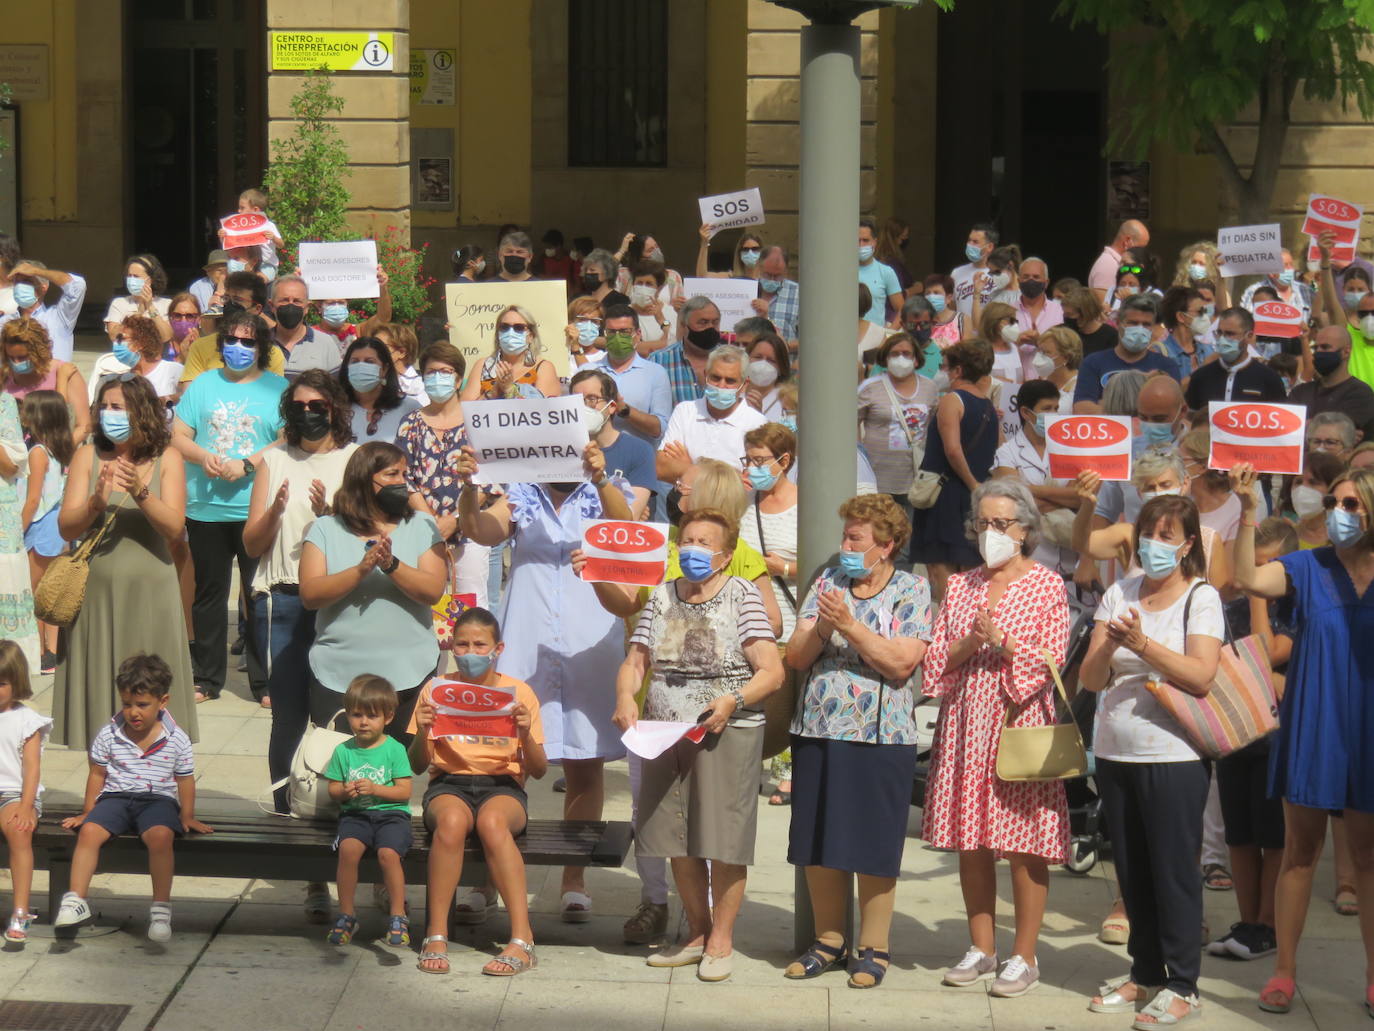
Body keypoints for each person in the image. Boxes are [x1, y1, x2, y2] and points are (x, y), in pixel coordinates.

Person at [457, 437, 633, 923]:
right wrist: (471, 486)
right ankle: (487, 876)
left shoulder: (606, 491)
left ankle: (573, 878)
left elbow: (630, 528)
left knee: (585, 759)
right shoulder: (521, 492)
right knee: (501, 759)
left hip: (589, 640)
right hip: (529, 637)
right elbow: (481, 529)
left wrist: (598, 477)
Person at [613, 507, 782, 982]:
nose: (693, 550)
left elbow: (771, 670)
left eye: (705, 543)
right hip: (664, 733)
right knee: (676, 837)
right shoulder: (663, 596)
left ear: (726, 556)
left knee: (722, 840)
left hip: (724, 732)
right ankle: (696, 933)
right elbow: (636, 659)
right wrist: (625, 695)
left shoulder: (742, 595)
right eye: (687, 540)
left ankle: (722, 940)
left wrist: (733, 699)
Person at [1230, 463, 1374, 1017]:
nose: (1340, 514)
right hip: (1315, 721)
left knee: (1365, 856)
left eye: (1352, 505)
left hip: (1367, 729)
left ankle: (1373, 976)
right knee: (1300, 852)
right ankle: (1284, 973)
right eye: (1336, 503)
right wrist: (1248, 513)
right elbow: (1247, 579)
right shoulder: (1307, 566)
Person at [1078, 494, 1223, 1028]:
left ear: (1187, 545)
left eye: (1168, 535)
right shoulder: (1119, 590)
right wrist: (1107, 645)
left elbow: (1201, 676)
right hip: (1115, 749)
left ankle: (1183, 983)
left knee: (1172, 872)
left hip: (1173, 754)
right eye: (1149, 533)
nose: (1155, 544)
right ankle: (1144, 973)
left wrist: (1142, 644)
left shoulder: (1200, 597)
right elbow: (1092, 681)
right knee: (1132, 872)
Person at [923, 480, 1070, 998]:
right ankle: (981, 947)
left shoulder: (1048, 585)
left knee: (1023, 844)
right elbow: (937, 660)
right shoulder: (961, 586)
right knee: (972, 840)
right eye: (982, 523)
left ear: (1025, 529)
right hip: (966, 722)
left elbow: (1052, 659)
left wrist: (1003, 643)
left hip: (1019, 724)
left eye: (1001, 523)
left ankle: (1024, 956)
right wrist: (972, 641)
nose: (990, 532)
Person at [785, 495, 930, 989]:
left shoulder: (913, 589)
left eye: (856, 538)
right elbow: (797, 657)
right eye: (845, 535)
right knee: (818, 842)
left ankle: (874, 946)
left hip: (881, 737)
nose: (845, 545)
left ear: (886, 546)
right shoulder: (828, 583)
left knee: (872, 843)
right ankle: (829, 940)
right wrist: (825, 624)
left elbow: (900, 663)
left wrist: (850, 625)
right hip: (818, 731)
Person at [55, 375, 195, 744]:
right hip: (97, 596)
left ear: (141, 412)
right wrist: (95, 502)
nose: (107, 414)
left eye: (117, 407)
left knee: (151, 690)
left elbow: (174, 527)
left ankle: (157, 783)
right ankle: (101, 784)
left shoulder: (169, 458)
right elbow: (67, 529)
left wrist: (140, 491)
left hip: (152, 593)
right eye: (103, 406)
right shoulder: (87, 454)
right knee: (101, 699)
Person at [408, 607, 548, 976]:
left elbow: (538, 768)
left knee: (492, 823)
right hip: (449, 783)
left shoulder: (519, 692)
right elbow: (418, 765)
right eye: (463, 644)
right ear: (451, 647)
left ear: (497, 648)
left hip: (502, 786)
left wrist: (525, 732)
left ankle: (522, 939)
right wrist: (423, 730)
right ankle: (435, 932)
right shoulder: (437, 689)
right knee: (452, 822)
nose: (470, 652)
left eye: (479, 644)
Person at [242, 370, 356, 816]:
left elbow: (364, 538)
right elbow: (252, 544)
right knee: (287, 716)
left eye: (317, 406)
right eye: (299, 406)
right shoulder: (274, 462)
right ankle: (285, 811)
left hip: (337, 602)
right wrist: (275, 510)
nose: (307, 413)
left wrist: (331, 515)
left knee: (337, 717)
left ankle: (334, 814)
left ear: (334, 410)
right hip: (283, 599)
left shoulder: (355, 459)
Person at [54, 652, 212, 941]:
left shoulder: (176, 738)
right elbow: (97, 775)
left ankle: (161, 909)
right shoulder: (109, 734)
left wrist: (186, 815)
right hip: (115, 797)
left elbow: (184, 779)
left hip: (157, 800)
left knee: (161, 836)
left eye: (142, 705)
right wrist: (88, 811)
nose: (133, 712)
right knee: (89, 832)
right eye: (127, 704)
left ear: (162, 701)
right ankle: (75, 901)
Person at [171, 311, 286, 704]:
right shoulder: (203, 384)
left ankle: (265, 681)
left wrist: (249, 463)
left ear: (261, 348)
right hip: (205, 507)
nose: (239, 348)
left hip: (257, 509)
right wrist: (202, 457)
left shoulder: (278, 388)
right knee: (209, 595)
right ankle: (206, 677)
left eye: (248, 342)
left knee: (259, 595)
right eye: (232, 341)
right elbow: (179, 435)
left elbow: (287, 440)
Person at [299, 442, 446, 738]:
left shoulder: (422, 525)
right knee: (338, 774)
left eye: (405, 474)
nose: (402, 482)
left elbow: (433, 590)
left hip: (409, 672)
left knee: (395, 776)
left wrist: (391, 566)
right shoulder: (326, 528)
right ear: (365, 479)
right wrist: (361, 570)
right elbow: (310, 594)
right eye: (392, 474)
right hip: (338, 675)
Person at [1206, 516, 1297, 963]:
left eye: (1267, 566)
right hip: (1238, 734)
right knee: (1239, 835)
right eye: (1252, 566)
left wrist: (1258, 591)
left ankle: (1269, 923)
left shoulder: (1298, 609)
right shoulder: (1232, 610)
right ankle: (1248, 920)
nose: (1255, 575)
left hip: (1280, 740)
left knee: (1274, 836)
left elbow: (1267, 652)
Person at [395, 341, 490, 609]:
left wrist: (456, 520)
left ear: (459, 378)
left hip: (470, 533)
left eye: (445, 372)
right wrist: (431, 523)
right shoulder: (410, 423)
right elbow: (404, 478)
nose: (438, 378)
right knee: (425, 606)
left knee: (471, 610)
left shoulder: (478, 421)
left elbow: (491, 480)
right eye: (431, 372)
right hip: (423, 533)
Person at [323, 674, 413, 948]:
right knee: (348, 850)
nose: (363, 722)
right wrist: (344, 791)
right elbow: (332, 789)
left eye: (371, 716)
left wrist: (376, 789)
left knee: (388, 854)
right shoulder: (343, 750)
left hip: (392, 815)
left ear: (387, 717)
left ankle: (398, 915)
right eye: (356, 714)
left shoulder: (394, 749)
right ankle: (347, 913)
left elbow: (404, 792)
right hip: (356, 815)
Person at [909, 341, 999, 600]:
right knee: (970, 571)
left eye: (946, 368)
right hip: (973, 494)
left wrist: (972, 484)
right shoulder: (988, 406)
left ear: (958, 371)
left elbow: (952, 449)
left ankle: (950, 630)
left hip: (947, 495)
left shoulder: (953, 400)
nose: (943, 374)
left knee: (941, 570)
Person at [992, 380, 1079, 576]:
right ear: (1025, 412)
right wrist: (1065, 500)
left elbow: (1080, 497)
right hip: (1030, 558)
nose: (1054, 414)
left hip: (1071, 558)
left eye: (1056, 408)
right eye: (1047, 408)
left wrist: (1031, 489)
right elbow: (1016, 506)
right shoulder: (1007, 453)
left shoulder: (1072, 450)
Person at [657, 344, 768, 483]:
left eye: (730, 381)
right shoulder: (685, 411)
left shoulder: (757, 423)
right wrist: (730, 477)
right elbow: (661, 467)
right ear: (705, 375)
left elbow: (753, 481)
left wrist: (689, 467)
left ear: (745, 384)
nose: (721, 386)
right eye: (715, 378)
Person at [19, 390, 73, 673]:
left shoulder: (38, 453)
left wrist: (18, 530)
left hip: (40, 526)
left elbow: (32, 499)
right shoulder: (62, 449)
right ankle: (53, 651)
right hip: (58, 527)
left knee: (34, 593)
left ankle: (41, 653)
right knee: (51, 592)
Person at [0, 640, 50, 943]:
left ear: (16, 683)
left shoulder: (26, 720)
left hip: (15, 793)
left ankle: (21, 910)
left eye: (1, 683)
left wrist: (27, 805)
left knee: (18, 831)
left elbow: (32, 769)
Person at [858, 332, 938, 504]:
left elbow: (934, 424)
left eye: (906, 353)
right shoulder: (869, 388)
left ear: (916, 359)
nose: (900, 358)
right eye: (894, 354)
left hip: (916, 477)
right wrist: (859, 455)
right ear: (885, 358)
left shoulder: (929, 388)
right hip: (877, 476)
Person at [738, 422, 799, 638]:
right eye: (748, 460)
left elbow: (826, 564)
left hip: (791, 624)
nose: (752, 468)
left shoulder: (806, 506)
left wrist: (784, 568)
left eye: (760, 461)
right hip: (746, 625)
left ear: (784, 461)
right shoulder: (743, 502)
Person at [570, 368, 656, 518]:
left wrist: (601, 479)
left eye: (592, 399)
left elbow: (631, 517)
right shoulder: (562, 449)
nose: (583, 407)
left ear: (611, 407)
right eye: (576, 400)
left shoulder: (640, 451)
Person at [1073, 295, 1178, 413]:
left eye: (1146, 324)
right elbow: (1082, 408)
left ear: (1153, 327)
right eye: (1133, 323)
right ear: (1118, 323)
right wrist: (1140, 410)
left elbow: (1171, 410)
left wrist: (1107, 406)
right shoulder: (1093, 362)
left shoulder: (1166, 366)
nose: (1140, 329)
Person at [179, 271, 287, 383]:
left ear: (257, 308)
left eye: (238, 300)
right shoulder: (200, 347)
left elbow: (273, 394)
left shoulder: (272, 354)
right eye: (226, 298)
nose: (230, 304)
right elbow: (190, 391)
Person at [1, 318, 90, 441]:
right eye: (11, 357)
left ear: (39, 351)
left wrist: (59, 455)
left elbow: (83, 426)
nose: (16, 363)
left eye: (22, 357)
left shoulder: (65, 372)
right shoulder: (4, 376)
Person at [1184, 307, 1286, 408]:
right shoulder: (1200, 377)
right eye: (1219, 333)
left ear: (1249, 336)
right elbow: (1190, 418)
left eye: (1230, 334)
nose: (1223, 339)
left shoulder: (1269, 379)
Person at [1288, 325, 1374, 443]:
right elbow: (1284, 427)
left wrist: (1302, 426)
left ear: (1346, 352)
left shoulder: (1360, 393)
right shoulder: (1300, 392)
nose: (1318, 352)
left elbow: (1340, 433)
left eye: (1325, 347)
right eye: (1315, 348)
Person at [460, 304, 559, 401]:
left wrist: (510, 390)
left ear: (531, 336)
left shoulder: (543, 367)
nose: (510, 332)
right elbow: (466, 410)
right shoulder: (483, 366)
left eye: (519, 327)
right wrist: (494, 392)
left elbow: (544, 411)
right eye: (504, 327)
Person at [0, 260, 87, 363]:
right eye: (17, 282)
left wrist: (37, 271)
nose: (20, 286)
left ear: (43, 287)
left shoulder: (59, 318)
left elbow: (78, 286)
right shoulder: (5, 322)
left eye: (27, 281)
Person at [340, 335, 421, 442]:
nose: (360, 367)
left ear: (385, 369)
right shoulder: (337, 409)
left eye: (369, 361)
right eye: (354, 361)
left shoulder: (409, 409)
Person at [88, 314, 183, 403]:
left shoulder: (173, 371)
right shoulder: (123, 379)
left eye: (122, 339)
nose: (116, 343)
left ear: (140, 344)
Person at [266, 276, 342, 376]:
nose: (290, 305)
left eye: (297, 301)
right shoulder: (258, 343)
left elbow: (335, 388)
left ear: (307, 308)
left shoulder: (326, 343)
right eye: (284, 300)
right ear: (271, 306)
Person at [652, 296, 720, 406]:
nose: (710, 328)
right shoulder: (658, 361)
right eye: (703, 322)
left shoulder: (733, 359)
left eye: (715, 323)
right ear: (684, 325)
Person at [103, 254, 173, 341]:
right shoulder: (119, 303)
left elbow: (166, 336)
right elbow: (114, 336)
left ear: (150, 280)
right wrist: (138, 314)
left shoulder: (166, 304)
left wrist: (150, 306)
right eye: (129, 276)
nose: (131, 279)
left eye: (136, 276)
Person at [1158, 286, 1215, 384]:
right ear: (1181, 317)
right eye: (1200, 312)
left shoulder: (1208, 350)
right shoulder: (1160, 353)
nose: (1205, 317)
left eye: (1205, 311)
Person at [1089, 220, 1151, 304]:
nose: (1141, 253)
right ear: (1128, 241)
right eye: (1140, 248)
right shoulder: (1108, 266)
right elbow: (1104, 310)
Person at [858, 218, 903, 326]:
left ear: (875, 242)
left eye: (865, 240)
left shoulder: (886, 272)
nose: (861, 245)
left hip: (876, 340)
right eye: (857, 240)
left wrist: (889, 334)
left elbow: (901, 309)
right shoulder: (840, 272)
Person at [624, 260, 675, 350]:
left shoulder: (671, 313)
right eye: (639, 283)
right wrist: (661, 344)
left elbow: (674, 341)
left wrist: (661, 319)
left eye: (649, 284)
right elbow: (631, 347)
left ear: (659, 288)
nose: (643, 287)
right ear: (633, 285)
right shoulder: (622, 313)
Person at [952, 223, 998, 319]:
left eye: (975, 242)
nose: (970, 245)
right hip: (962, 332)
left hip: (987, 333)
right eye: (969, 240)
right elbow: (952, 307)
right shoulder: (956, 273)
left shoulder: (1000, 275)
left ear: (989, 247)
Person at [743, 331, 793, 420]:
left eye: (771, 360)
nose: (763, 364)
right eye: (758, 357)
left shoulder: (787, 401)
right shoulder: (734, 392)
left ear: (781, 368)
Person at [754, 246, 800, 342]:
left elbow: (810, 338)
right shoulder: (748, 289)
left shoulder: (799, 294)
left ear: (786, 271)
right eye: (767, 274)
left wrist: (784, 347)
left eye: (777, 276)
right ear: (759, 267)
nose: (771, 280)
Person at [1060, 285, 1118, 357]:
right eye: (1064, 314)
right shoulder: (1061, 332)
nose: (1065, 318)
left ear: (1086, 314)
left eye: (1070, 315)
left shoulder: (1111, 335)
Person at [1035, 326, 1082, 412]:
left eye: (1046, 352)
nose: (1040, 356)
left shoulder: (1080, 386)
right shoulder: (1041, 380)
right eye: (1039, 351)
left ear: (1066, 357)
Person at [695, 225, 764, 280]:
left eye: (755, 249)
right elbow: (702, 277)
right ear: (739, 253)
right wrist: (704, 243)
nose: (750, 252)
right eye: (745, 249)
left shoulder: (766, 280)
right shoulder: (732, 277)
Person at [187, 250, 229, 315]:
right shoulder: (197, 287)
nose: (223, 275)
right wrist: (219, 293)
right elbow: (200, 315)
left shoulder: (235, 285)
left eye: (227, 270)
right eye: (219, 270)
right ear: (209, 272)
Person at [166, 292, 203, 362]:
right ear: (170, 318)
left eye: (190, 316)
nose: (183, 320)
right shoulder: (162, 347)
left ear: (199, 319)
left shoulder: (207, 347)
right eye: (177, 316)